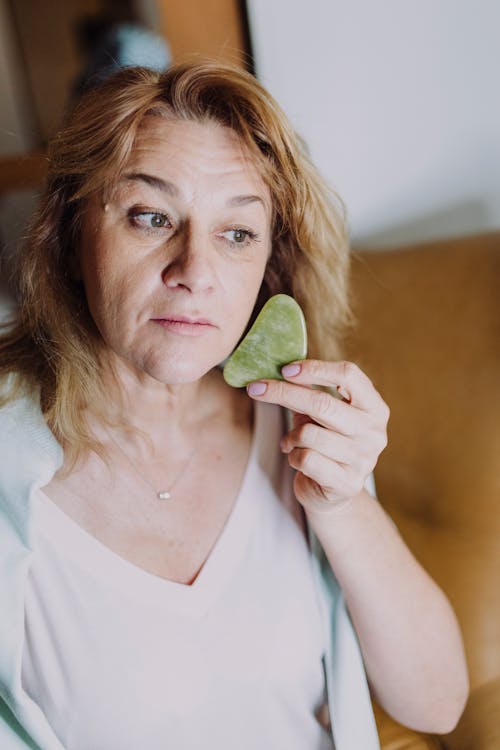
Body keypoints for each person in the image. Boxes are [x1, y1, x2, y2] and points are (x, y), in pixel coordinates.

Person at [0, 61, 468, 750]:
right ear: (70, 236)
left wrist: (343, 506)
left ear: (267, 266)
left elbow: (436, 705)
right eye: (152, 217)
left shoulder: (303, 425)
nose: (195, 271)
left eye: (237, 234)